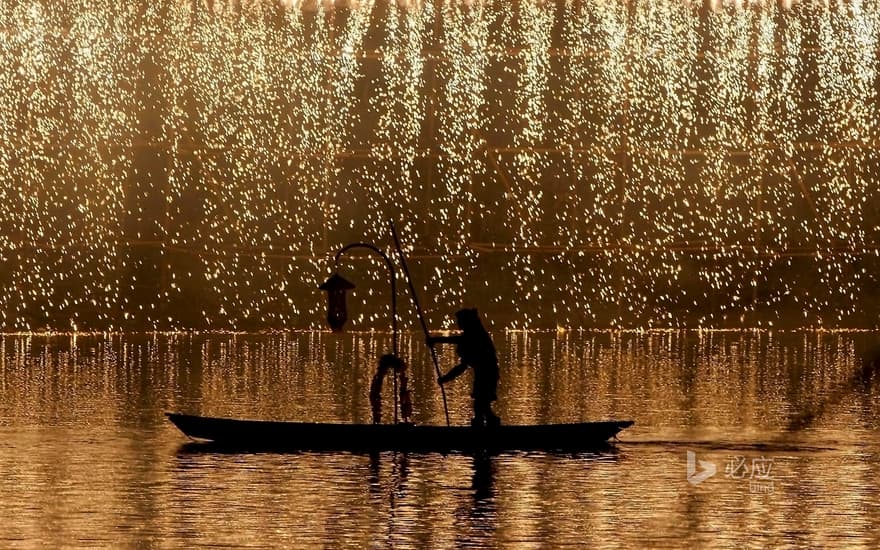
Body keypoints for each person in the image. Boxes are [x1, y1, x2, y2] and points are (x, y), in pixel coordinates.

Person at [427, 308, 501, 427]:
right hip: (482, 375)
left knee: (481, 406)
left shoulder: (477, 336)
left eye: (460, 321)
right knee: (482, 407)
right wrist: (445, 379)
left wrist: (436, 340)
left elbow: (458, 341)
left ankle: (488, 429)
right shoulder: (471, 337)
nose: (458, 324)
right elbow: (462, 367)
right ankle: (487, 427)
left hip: (488, 375)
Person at [369, 354, 413, 424]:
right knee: (376, 403)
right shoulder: (378, 379)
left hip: (377, 391)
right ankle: (377, 419)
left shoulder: (378, 378)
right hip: (376, 392)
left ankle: (377, 419)